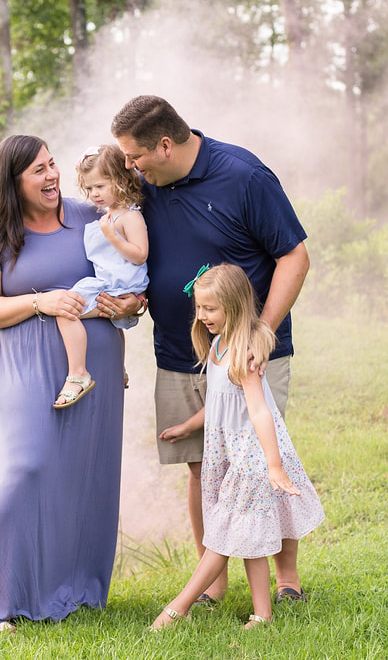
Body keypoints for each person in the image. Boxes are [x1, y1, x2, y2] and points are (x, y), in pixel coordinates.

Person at [101, 95, 311, 605]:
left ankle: (287, 583)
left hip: (251, 353)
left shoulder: (244, 176)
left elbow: (295, 256)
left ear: (166, 145)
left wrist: (259, 331)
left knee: (261, 461)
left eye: (135, 156)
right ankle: (212, 584)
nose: (130, 167)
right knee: (202, 465)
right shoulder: (144, 188)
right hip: (178, 350)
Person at [0, 135, 125, 632]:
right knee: (27, 466)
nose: (52, 175)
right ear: (13, 181)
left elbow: (125, 270)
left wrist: (129, 302)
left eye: (52, 165)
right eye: (38, 169)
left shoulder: (86, 215)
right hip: (25, 365)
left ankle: (73, 592)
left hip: (93, 365)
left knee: (85, 476)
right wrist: (42, 301)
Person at [149, 263, 323, 630]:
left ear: (234, 305)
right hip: (228, 454)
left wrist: (273, 466)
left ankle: (176, 609)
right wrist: (188, 426)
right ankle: (262, 615)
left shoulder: (243, 354)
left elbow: (259, 411)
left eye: (210, 309)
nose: (202, 316)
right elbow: (218, 401)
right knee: (247, 534)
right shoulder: (217, 345)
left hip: (253, 456)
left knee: (224, 539)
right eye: (199, 308)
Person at [54, 144, 149, 408]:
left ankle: (78, 373)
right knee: (113, 325)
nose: (94, 194)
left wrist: (111, 236)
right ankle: (119, 369)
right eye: (89, 188)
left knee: (66, 309)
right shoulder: (111, 215)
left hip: (119, 284)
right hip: (109, 281)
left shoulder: (129, 216)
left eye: (100, 186)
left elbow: (140, 255)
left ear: (120, 180)